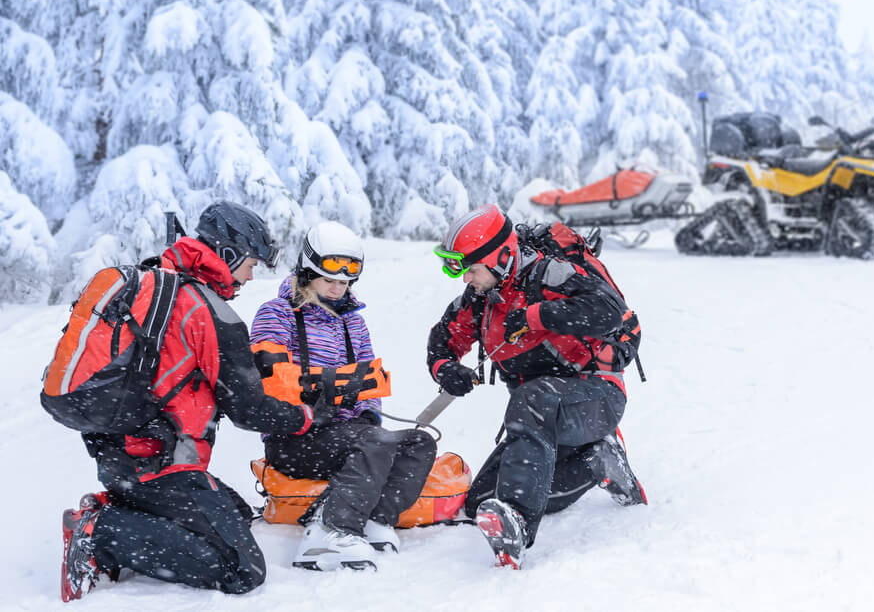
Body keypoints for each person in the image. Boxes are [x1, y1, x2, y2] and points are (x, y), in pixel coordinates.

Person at [60, 201, 335, 602]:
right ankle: (99, 532)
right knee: (242, 569)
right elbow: (249, 410)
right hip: (158, 465)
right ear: (227, 254)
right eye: (251, 263)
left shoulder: (161, 285)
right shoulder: (209, 311)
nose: (251, 274)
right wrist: (308, 416)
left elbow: (179, 370)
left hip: (121, 456)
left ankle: (123, 505)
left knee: (238, 514)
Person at [427, 204, 647, 569]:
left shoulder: (551, 275)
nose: (466, 278)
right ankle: (594, 462)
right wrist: (445, 367)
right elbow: (443, 337)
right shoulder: (480, 297)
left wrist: (535, 316)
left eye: (472, 268)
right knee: (480, 499)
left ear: (499, 256)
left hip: (596, 398)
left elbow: (610, 310)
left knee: (532, 399)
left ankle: (516, 522)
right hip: (542, 423)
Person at [250, 221, 437, 571]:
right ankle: (330, 532)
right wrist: (328, 390)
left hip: (347, 435)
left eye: (344, 281)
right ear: (307, 274)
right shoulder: (277, 314)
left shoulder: (354, 323)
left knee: (419, 443)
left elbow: (369, 382)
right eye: (329, 280)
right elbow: (267, 380)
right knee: (376, 443)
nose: (338, 289)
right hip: (293, 438)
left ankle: (374, 519)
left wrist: (366, 413)